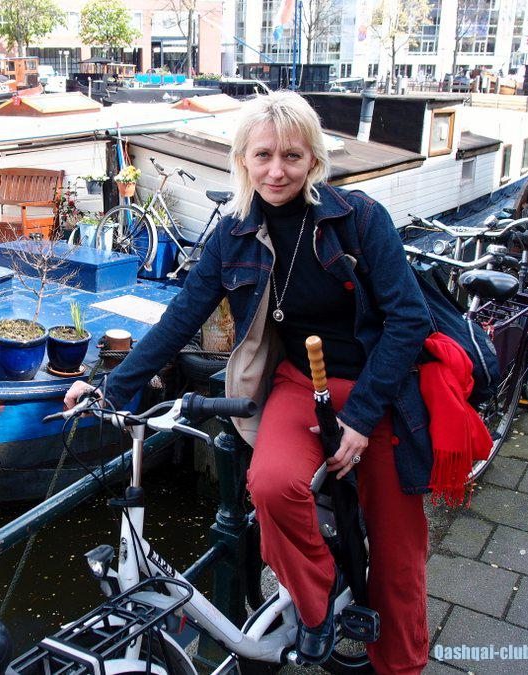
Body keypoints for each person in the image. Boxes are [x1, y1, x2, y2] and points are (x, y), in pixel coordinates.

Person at [65, 90, 431, 675]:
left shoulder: (359, 218)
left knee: (396, 554)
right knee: (270, 484)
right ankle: (315, 607)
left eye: (291, 156)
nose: (276, 171)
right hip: (299, 384)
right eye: (263, 156)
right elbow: (182, 316)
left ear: (313, 159)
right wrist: (112, 387)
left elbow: (409, 319)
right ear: (243, 160)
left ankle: (402, 667)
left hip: (377, 390)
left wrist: (361, 418)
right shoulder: (234, 234)